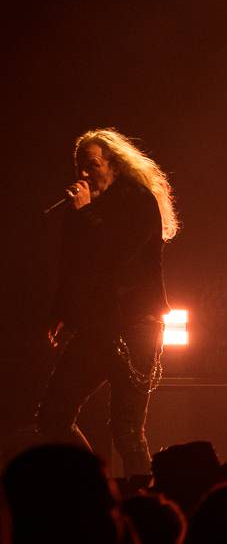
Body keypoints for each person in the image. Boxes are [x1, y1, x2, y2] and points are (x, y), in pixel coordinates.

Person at [37, 129, 178, 476]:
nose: (84, 174)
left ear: (114, 164)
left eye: (93, 165)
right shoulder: (84, 209)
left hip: (137, 325)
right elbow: (72, 265)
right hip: (98, 325)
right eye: (79, 166)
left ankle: (145, 507)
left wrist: (85, 213)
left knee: (126, 430)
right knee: (54, 415)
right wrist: (60, 311)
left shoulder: (137, 200)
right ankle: (94, 488)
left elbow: (117, 256)